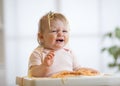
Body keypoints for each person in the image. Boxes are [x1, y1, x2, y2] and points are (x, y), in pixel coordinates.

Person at [28, 11, 100, 77]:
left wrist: (89, 71)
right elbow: (33, 73)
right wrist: (44, 66)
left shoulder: (68, 52)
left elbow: (77, 69)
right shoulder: (38, 53)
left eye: (64, 31)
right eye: (54, 31)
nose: (60, 34)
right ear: (41, 37)